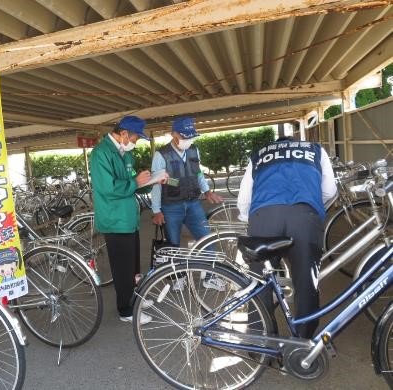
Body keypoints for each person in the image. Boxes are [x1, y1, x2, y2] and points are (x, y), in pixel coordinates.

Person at [237, 136, 337, 338]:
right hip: (304, 216)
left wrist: (250, 218)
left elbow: (244, 196)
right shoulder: (316, 150)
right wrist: (313, 207)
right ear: (295, 141)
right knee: (306, 282)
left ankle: (260, 344)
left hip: (264, 216)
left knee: (260, 282)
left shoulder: (259, 154)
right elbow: (330, 190)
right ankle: (303, 344)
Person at [90, 115, 154, 324]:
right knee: (122, 268)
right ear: (124, 133)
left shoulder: (124, 154)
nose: (136, 142)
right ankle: (125, 310)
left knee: (133, 265)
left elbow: (132, 180)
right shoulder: (101, 153)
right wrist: (135, 181)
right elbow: (108, 188)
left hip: (128, 217)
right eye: (135, 138)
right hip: (114, 219)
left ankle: (134, 297)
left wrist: (151, 180)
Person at [151, 116, 223, 289]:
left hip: (193, 204)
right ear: (173, 135)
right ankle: (178, 277)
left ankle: (210, 277)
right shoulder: (161, 155)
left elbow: (198, 174)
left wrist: (207, 191)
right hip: (170, 206)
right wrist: (156, 210)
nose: (188, 140)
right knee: (173, 245)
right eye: (184, 137)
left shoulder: (193, 150)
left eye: (190, 136)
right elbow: (156, 183)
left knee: (206, 239)